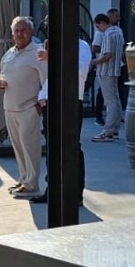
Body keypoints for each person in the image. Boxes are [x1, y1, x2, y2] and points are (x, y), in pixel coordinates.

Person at [34, 30, 93, 205]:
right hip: (51, 102)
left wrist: (53, 56)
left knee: (72, 147)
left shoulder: (81, 46)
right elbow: (50, 76)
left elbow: (79, 71)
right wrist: (42, 95)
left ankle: (76, 194)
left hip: (70, 101)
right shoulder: (53, 47)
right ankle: (52, 189)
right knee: (52, 147)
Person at [0, 17, 45, 200]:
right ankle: (24, 178)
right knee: (18, 147)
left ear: (30, 32)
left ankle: (32, 184)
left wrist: (38, 106)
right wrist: (0, 82)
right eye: (16, 31)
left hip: (28, 108)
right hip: (10, 107)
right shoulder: (9, 53)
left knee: (30, 147)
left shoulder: (38, 53)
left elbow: (46, 81)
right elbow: (3, 74)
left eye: (23, 30)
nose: (20, 34)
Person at [90, 13, 124, 142]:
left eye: (98, 26)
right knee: (115, 99)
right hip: (115, 70)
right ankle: (114, 129)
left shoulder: (108, 35)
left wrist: (94, 62)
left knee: (110, 101)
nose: (98, 30)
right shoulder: (118, 32)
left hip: (106, 71)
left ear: (103, 23)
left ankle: (108, 130)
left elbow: (107, 55)